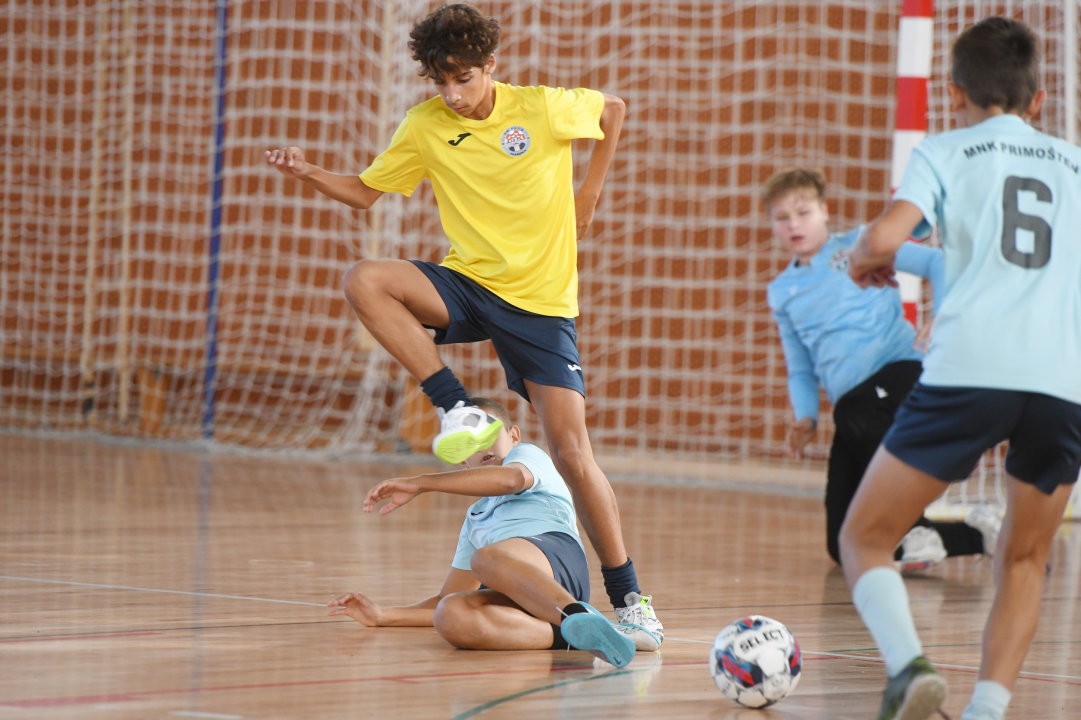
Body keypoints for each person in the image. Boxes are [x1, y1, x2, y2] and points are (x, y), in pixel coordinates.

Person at [266, 3, 661, 644]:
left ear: (491, 67)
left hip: (541, 304)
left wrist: (587, 193)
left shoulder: (540, 107)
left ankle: (630, 598)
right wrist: (308, 172)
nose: (452, 95)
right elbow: (367, 191)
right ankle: (453, 406)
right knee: (366, 280)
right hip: (471, 284)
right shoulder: (425, 125)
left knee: (571, 452)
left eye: (465, 80)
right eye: (441, 83)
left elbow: (612, 110)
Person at [840, 17, 1081, 720]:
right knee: (1025, 557)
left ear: (953, 93)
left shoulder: (944, 148)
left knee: (863, 537)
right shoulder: (1073, 162)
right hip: (1063, 381)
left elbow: (886, 235)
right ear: (1037, 100)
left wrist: (863, 258)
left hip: (971, 367)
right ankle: (984, 711)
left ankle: (908, 667)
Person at [763, 168, 999, 569]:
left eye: (803, 213)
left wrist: (942, 315)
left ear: (824, 210)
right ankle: (980, 532)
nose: (794, 225)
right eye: (782, 218)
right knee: (844, 544)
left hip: (903, 373)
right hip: (858, 411)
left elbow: (938, 262)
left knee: (853, 410)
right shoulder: (781, 291)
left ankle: (917, 519)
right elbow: (800, 366)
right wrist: (804, 417)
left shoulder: (860, 244)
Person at [327, 398, 651, 666]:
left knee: (487, 559)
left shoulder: (528, 457)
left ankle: (575, 613)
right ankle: (578, 635)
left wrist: (421, 482)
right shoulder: (475, 517)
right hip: (515, 587)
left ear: (514, 435)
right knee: (450, 613)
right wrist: (383, 615)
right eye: (467, 443)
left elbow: (509, 480)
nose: (479, 444)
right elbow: (446, 595)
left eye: (487, 432)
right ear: (463, 465)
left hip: (557, 563)